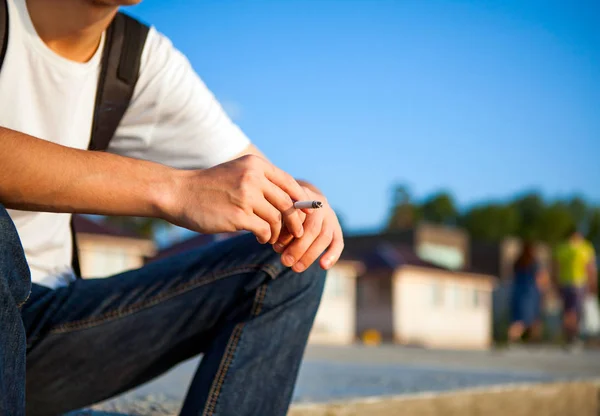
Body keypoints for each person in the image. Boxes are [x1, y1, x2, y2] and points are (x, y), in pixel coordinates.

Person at [0, 0, 344, 415]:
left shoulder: (136, 58)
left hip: (46, 333)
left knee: (288, 259)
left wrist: (305, 200)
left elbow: (259, 178)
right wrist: (176, 190)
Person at [554, 227, 597, 350]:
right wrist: (593, 284)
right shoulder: (584, 248)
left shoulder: (562, 247)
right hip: (578, 283)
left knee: (568, 311)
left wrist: (556, 283)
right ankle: (573, 338)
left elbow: (556, 267)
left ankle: (569, 337)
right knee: (574, 312)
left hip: (565, 283)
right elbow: (590, 268)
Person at [507, 242, 549, 344]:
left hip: (518, 292)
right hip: (531, 293)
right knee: (529, 319)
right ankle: (531, 340)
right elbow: (541, 278)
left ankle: (523, 339)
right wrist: (545, 289)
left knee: (521, 318)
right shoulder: (534, 263)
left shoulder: (518, 262)